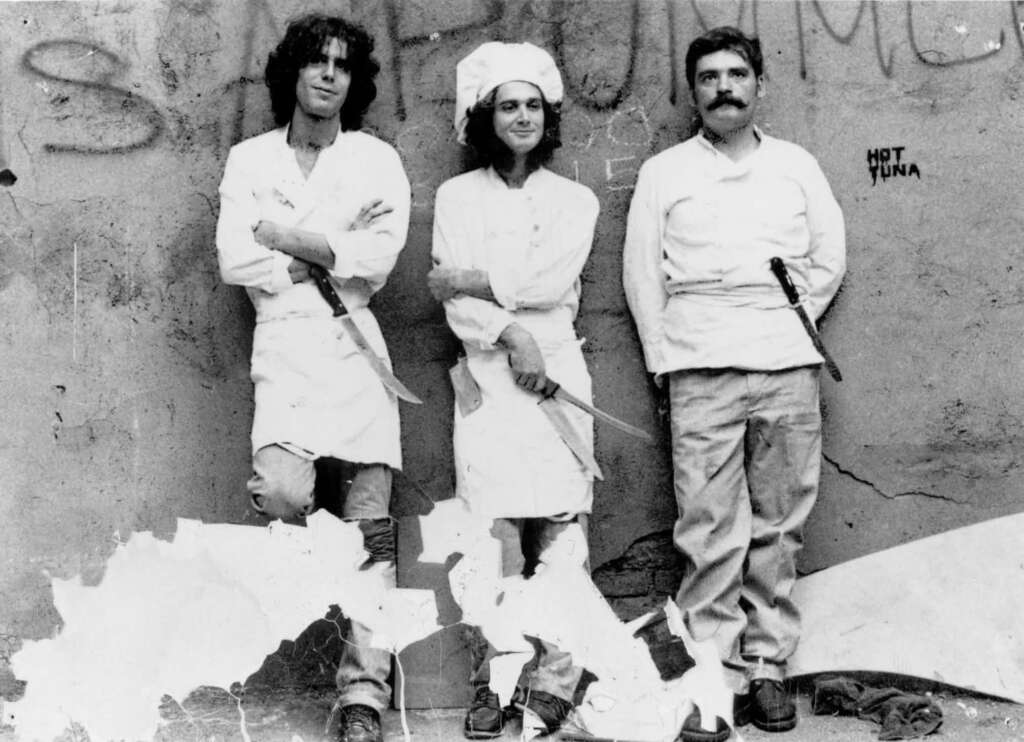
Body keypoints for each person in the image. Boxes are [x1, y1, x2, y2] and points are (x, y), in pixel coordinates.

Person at [622, 26, 846, 742]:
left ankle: (768, 669)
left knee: (779, 526)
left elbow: (828, 256)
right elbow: (641, 277)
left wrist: (783, 323)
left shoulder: (795, 166)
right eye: (710, 76)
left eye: (737, 74)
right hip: (698, 368)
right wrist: (667, 360)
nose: (724, 87)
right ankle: (710, 677)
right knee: (708, 529)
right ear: (694, 91)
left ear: (758, 84)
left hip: (786, 366)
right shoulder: (665, 173)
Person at [215, 14, 411, 742]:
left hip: (355, 348)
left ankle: (363, 697)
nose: (328, 75)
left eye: (342, 66)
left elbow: (378, 259)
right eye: (315, 63)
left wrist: (284, 239)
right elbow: (234, 260)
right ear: (291, 75)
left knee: (370, 533)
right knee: (283, 492)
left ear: (355, 82)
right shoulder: (250, 159)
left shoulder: (374, 160)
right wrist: (325, 250)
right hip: (288, 347)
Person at [426, 41, 600, 740]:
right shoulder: (454, 198)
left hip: (555, 370)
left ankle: (555, 679)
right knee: (491, 536)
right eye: (508, 106)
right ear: (484, 117)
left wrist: (478, 280)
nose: (522, 117)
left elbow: (551, 283)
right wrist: (509, 332)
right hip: (488, 377)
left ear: (546, 116)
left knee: (560, 529)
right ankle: (492, 682)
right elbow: (449, 295)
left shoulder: (575, 201)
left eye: (532, 105)